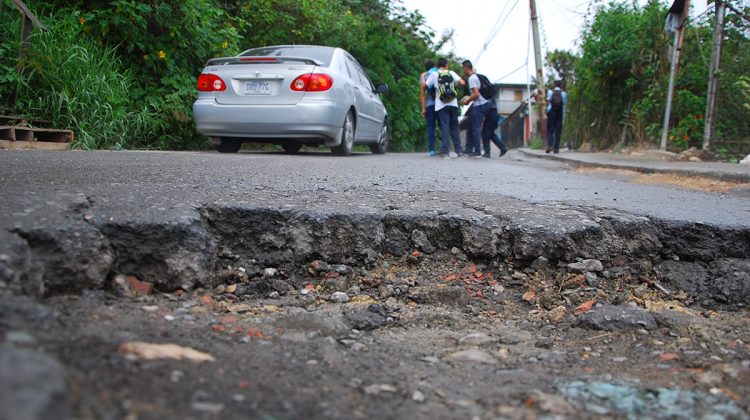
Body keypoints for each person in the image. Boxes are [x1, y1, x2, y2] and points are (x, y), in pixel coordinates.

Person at [461, 60, 507, 158]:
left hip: (480, 105)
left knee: (474, 127)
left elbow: (476, 94)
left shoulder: (471, 79)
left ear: (465, 67)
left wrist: (468, 100)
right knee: (486, 131)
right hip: (490, 104)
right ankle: (491, 151)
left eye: (463, 68)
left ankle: (476, 150)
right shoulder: (478, 76)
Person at [425, 58, 466, 158]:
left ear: (437, 66)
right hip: (453, 103)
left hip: (441, 104)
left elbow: (425, 85)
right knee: (455, 127)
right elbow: (463, 82)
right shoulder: (451, 73)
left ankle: (445, 152)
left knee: (445, 127)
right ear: (446, 65)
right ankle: (459, 151)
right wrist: (455, 85)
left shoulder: (434, 74)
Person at [420, 61, 439, 156]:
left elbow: (423, 93)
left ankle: (432, 149)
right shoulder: (439, 72)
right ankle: (445, 148)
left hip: (430, 104)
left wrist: (423, 108)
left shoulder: (424, 75)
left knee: (431, 127)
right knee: (443, 125)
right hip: (442, 103)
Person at [546, 80, 567, 154]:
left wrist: (548, 111)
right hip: (559, 112)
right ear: (560, 86)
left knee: (550, 129)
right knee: (558, 130)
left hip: (551, 112)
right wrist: (563, 116)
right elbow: (564, 105)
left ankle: (549, 145)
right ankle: (556, 148)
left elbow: (548, 102)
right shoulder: (563, 93)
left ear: (554, 85)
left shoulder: (550, 92)